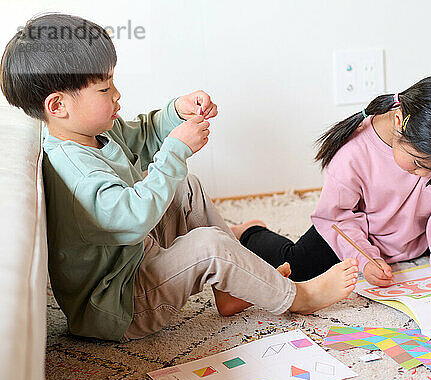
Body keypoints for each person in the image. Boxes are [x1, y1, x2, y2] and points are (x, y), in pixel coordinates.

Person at [0, 13, 358, 341]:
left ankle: (229, 290)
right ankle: (301, 297)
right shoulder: (75, 169)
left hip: (132, 262)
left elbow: (140, 134)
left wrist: (175, 112)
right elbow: (133, 219)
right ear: (58, 106)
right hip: (120, 305)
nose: (117, 94)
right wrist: (175, 151)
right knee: (207, 246)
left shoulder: (89, 133)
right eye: (105, 88)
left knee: (187, 187)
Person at [234, 74, 431, 288]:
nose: (428, 176)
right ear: (399, 120)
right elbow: (336, 218)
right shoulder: (352, 153)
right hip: (359, 229)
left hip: (421, 225)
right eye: (418, 164)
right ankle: (250, 231)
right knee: (297, 269)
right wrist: (366, 257)